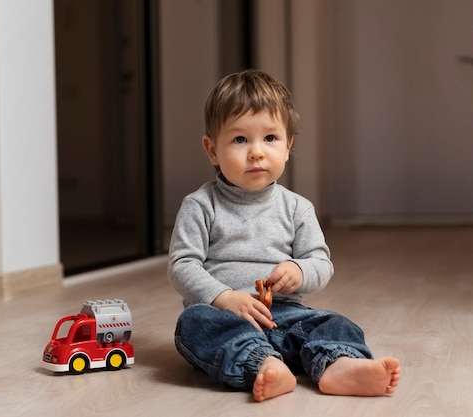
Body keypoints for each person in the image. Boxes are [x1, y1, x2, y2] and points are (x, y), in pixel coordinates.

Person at [167, 69, 401, 402]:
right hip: (226, 317)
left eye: (270, 138)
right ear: (212, 150)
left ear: (289, 146)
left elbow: (321, 262)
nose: (256, 152)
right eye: (239, 139)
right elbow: (182, 265)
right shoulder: (201, 205)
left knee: (334, 323)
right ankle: (262, 365)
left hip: (286, 316)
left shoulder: (297, 208)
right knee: (192, 323)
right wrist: (223, 297)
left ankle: (339, 366)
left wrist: (299, 271)